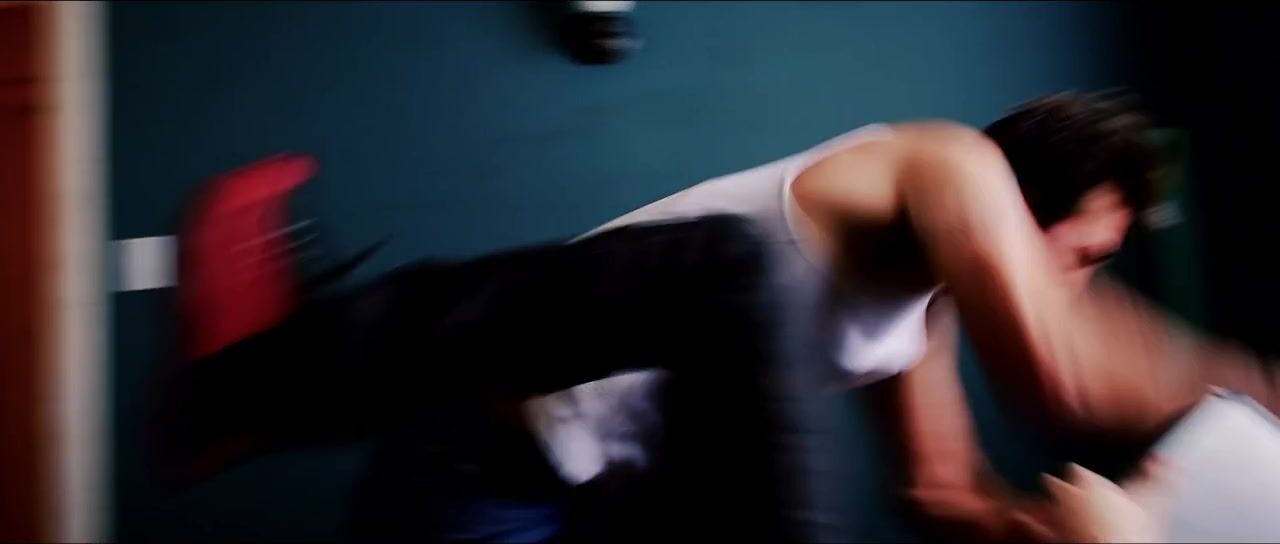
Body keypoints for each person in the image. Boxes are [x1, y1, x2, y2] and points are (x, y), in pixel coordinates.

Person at [160, 93, 1278, 542]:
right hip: (489, 463)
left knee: (718, 273)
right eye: (1082, 258)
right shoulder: (942, 160)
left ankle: (260, 381)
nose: (1078, 289)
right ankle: (260, 383)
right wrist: (1234, 386)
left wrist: (1063, 531)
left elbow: (942, 493)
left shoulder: (918, 317)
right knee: (721, 269)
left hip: (582, 504)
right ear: (1020, 202)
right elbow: (1048, 384)